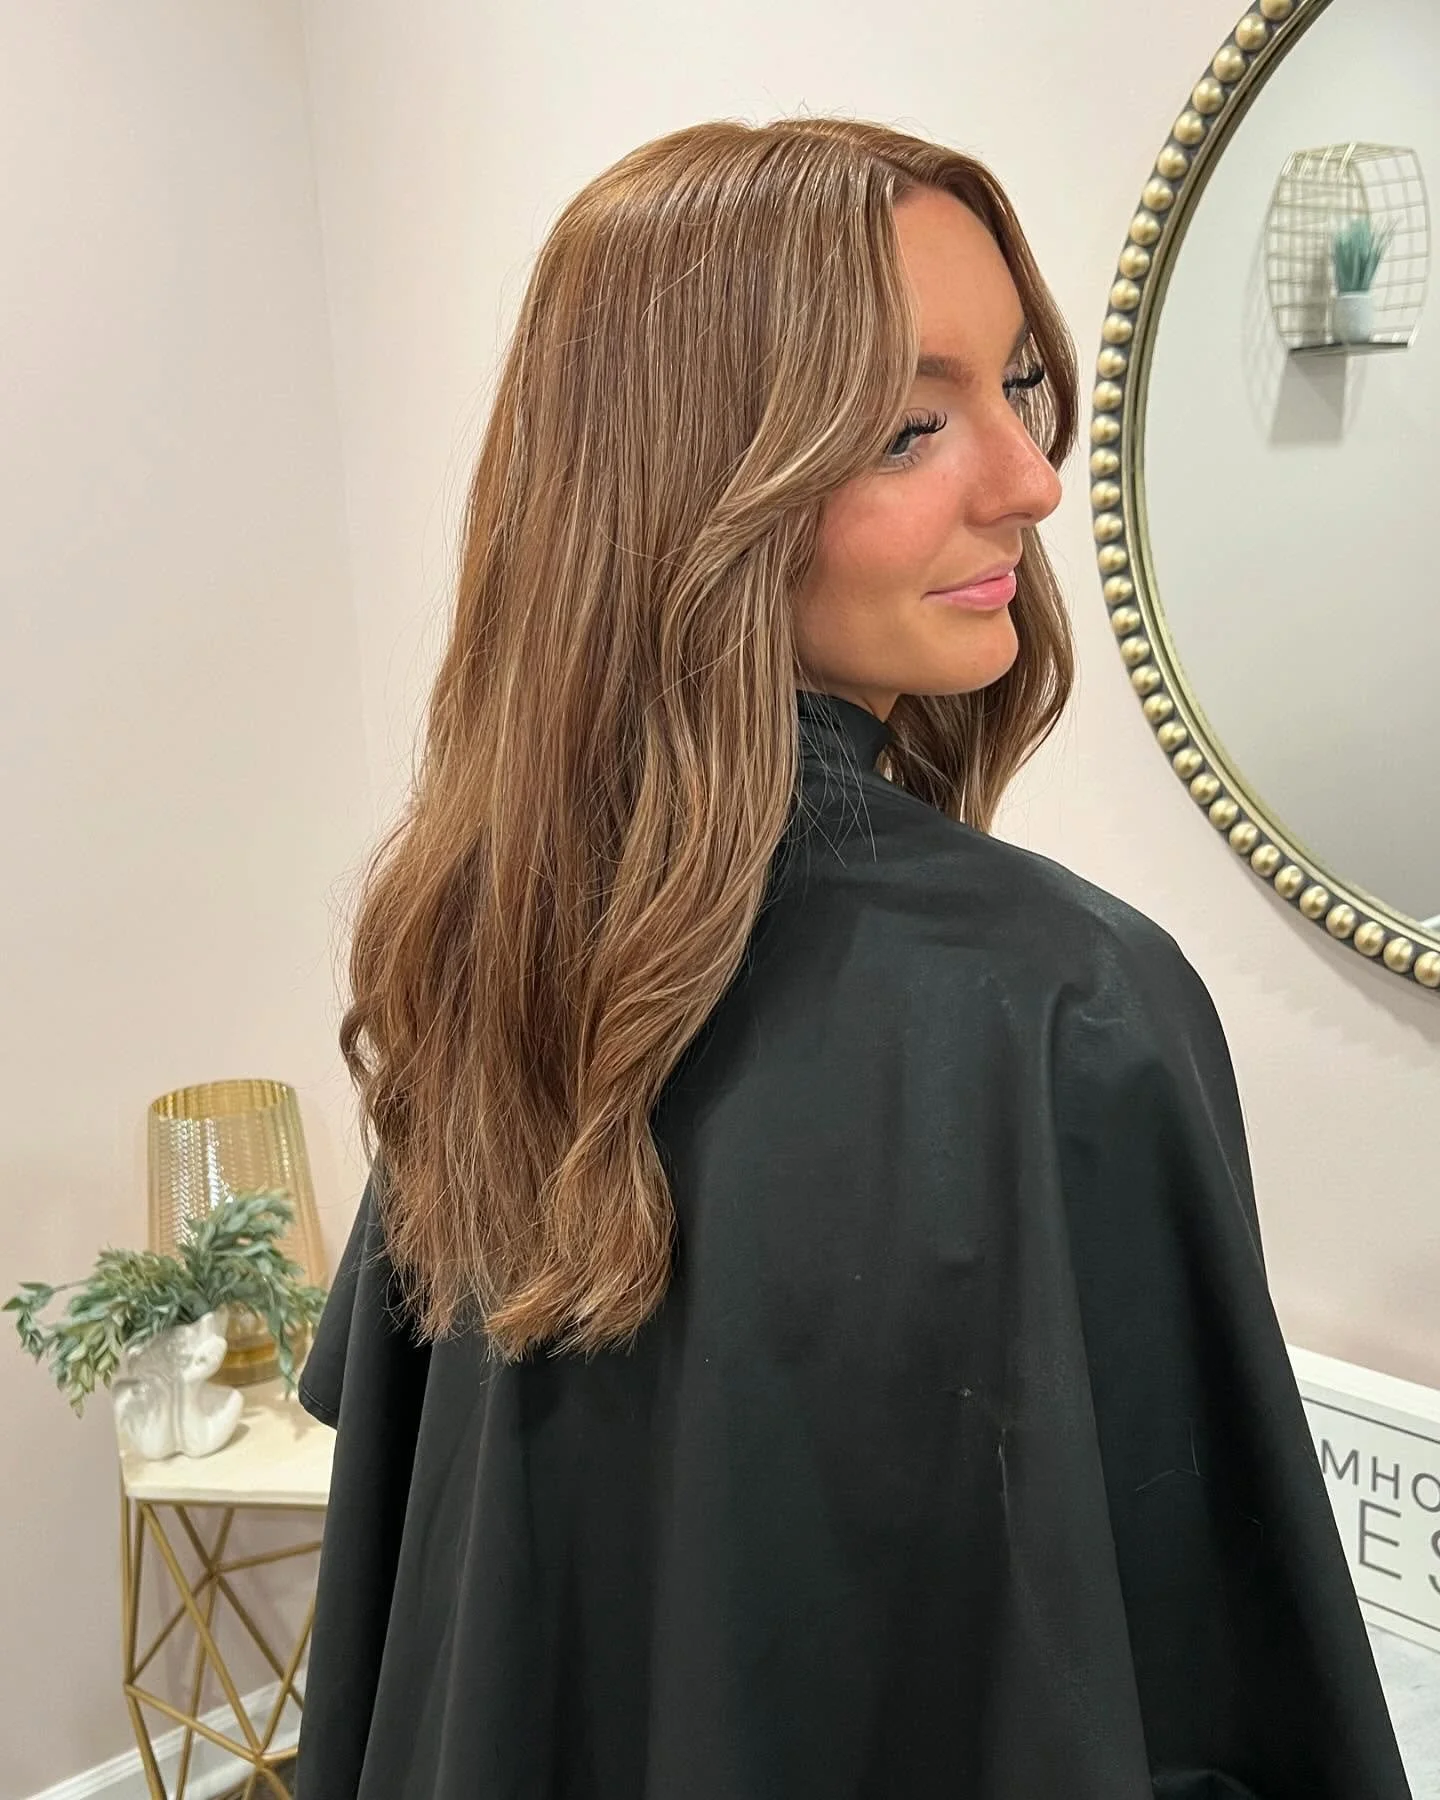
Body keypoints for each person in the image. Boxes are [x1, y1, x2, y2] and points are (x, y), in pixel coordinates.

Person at [292, 117, 1413, 1799]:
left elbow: (409, 1634)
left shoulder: (495, 948)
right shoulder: (1064, 1004)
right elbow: (1205, 1700)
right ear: (697, 496)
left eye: (1018, 384)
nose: (1033, 480)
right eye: (906, 425)